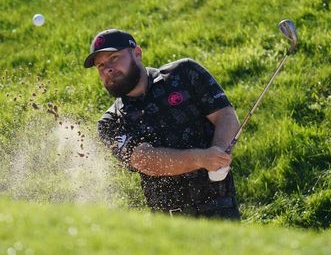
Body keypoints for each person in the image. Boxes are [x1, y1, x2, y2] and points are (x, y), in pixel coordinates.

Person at [84, 29, 241, 220]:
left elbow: (224, 115)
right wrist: (201, 159)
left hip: (222, 209)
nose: (107, 68)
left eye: (114, 58)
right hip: (170, 222)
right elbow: (146, 161)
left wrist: (218, 152)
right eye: (100, 65)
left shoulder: (184, 73)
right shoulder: (111, 122)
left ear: (137, 53)